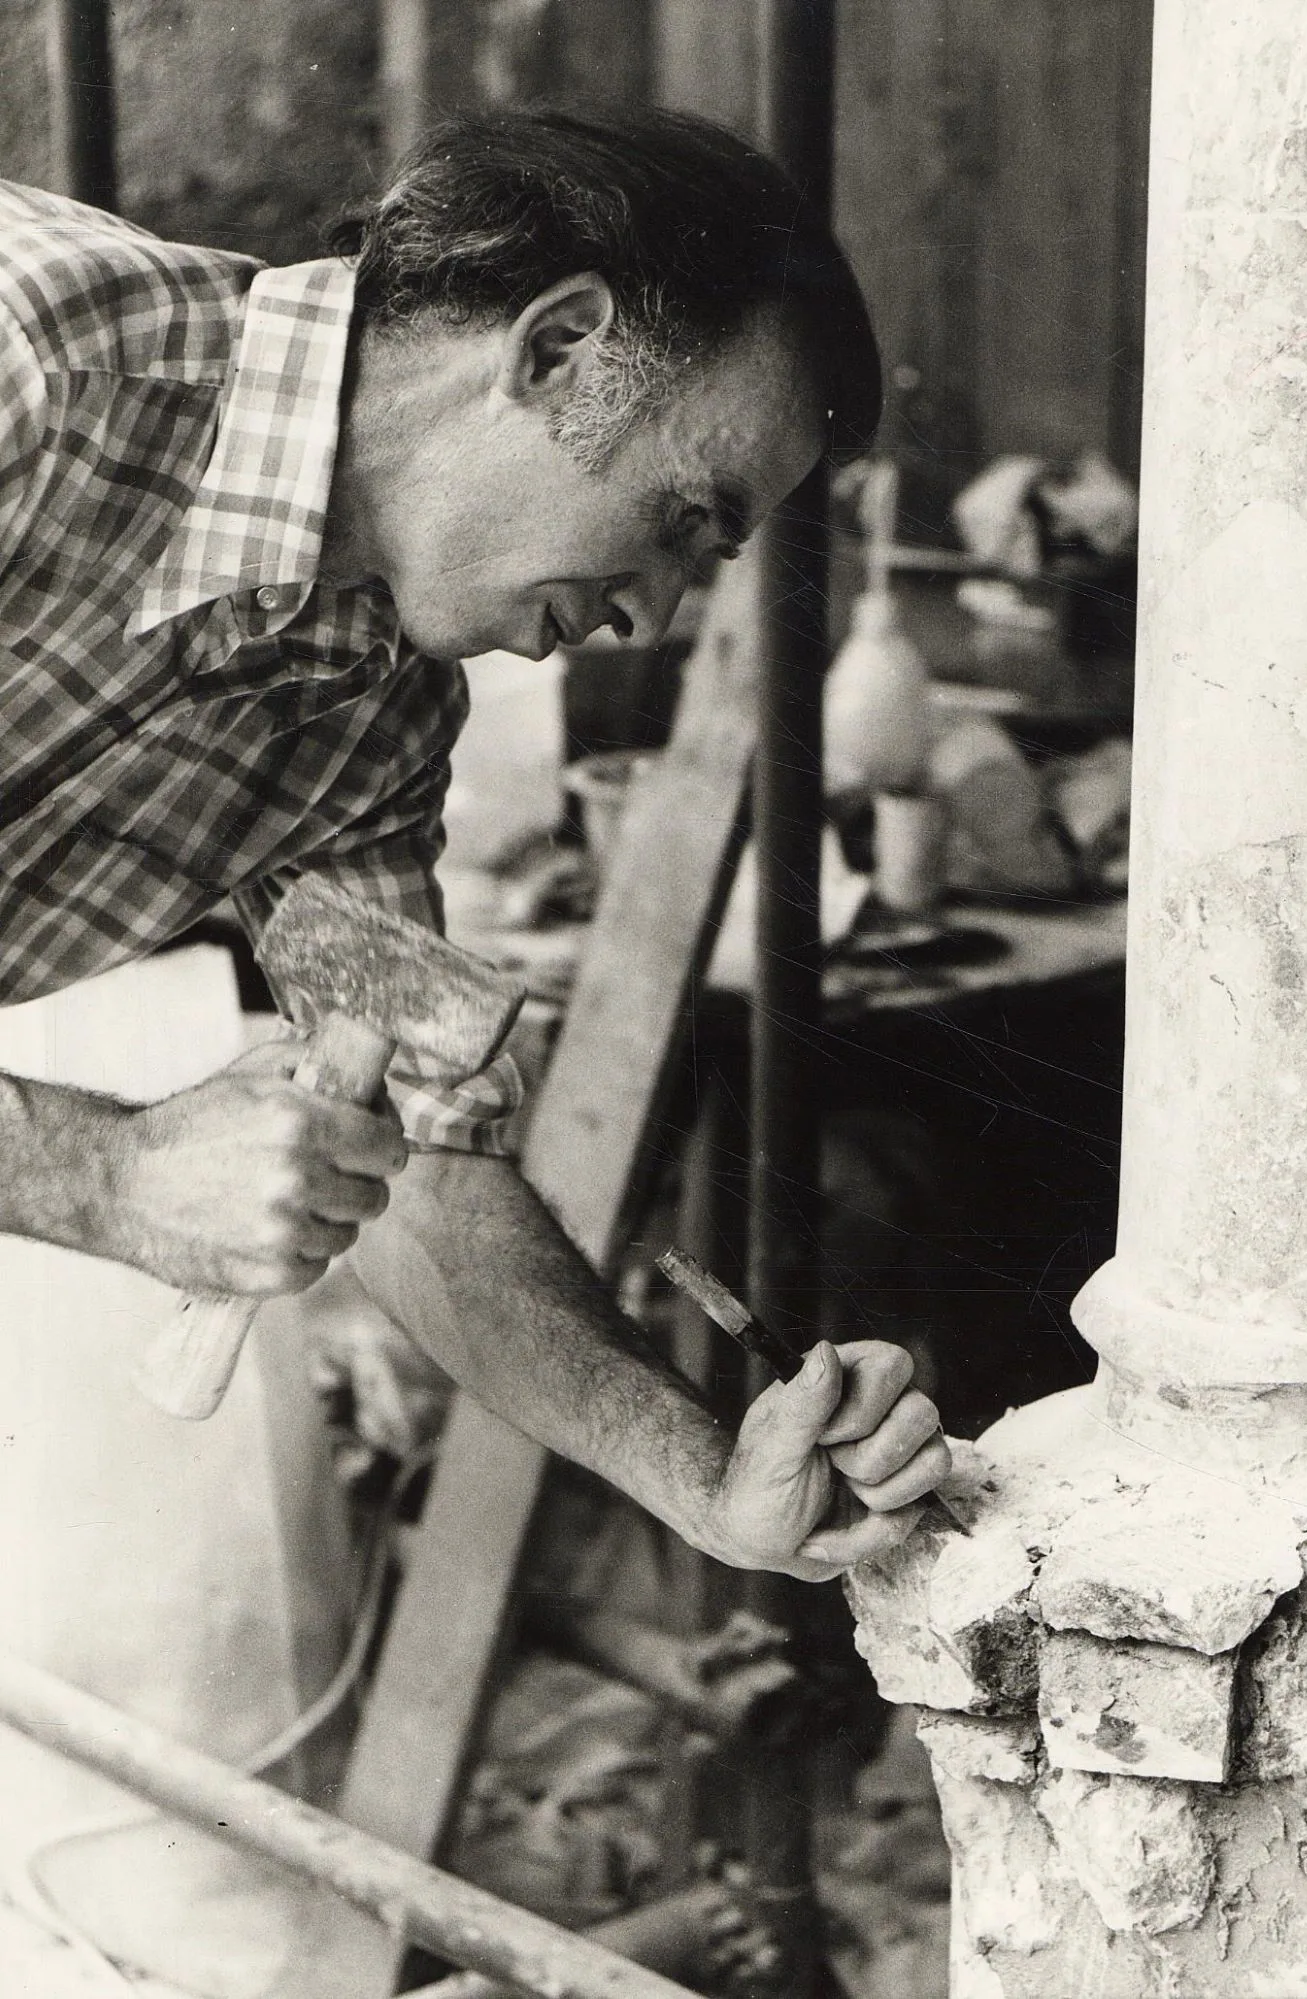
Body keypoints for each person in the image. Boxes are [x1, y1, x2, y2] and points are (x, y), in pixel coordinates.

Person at [0, 105, 950, 1582]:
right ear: (555, 345)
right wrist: (105, 1180)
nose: (657, 612)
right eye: (683, 518)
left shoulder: (374, 718)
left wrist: (706, 1477)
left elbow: (426, 1170)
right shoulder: (31, 364)